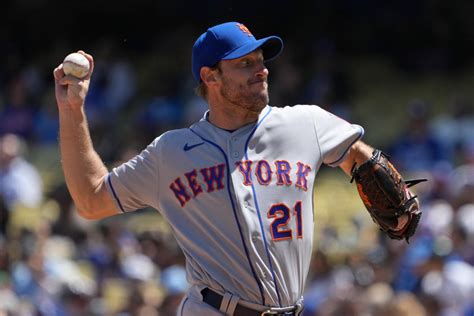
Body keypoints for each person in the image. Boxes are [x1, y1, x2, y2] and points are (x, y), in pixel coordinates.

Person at [53, 22, 415, 316]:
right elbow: (91, 200)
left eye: (261, 60)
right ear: (211, 77)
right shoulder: (171, 152)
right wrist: (72, 110)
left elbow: (357, 153)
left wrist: (391, 194)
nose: (261, 70)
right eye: (245, 64)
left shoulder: (305, 124)